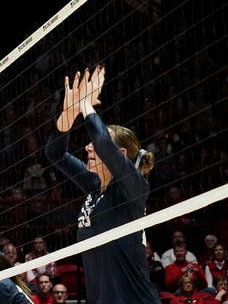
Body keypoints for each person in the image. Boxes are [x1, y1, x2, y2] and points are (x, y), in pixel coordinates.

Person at [44, 65, 160, 304]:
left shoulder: (134, 189)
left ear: (120, 154)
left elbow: (102, 142)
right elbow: (54, 153)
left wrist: (86, 104)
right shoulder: (94, 187)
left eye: (93, 145)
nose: (88, 147)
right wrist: (70, 111)